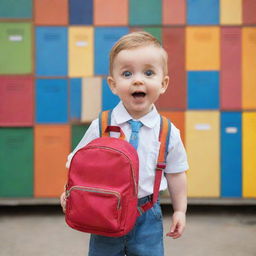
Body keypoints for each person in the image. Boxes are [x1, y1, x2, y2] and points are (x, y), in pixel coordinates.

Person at [60, 31, 189, 256]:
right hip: (105, 210)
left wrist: (180, 210)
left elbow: (176, 173)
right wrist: (67, 191)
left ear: (163, 83)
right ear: (113, 84)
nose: (138, 80)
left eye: (149, 72)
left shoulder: (168, 132)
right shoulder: (101, 124)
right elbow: (77, 161)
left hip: (147, 213)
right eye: (127, 73)